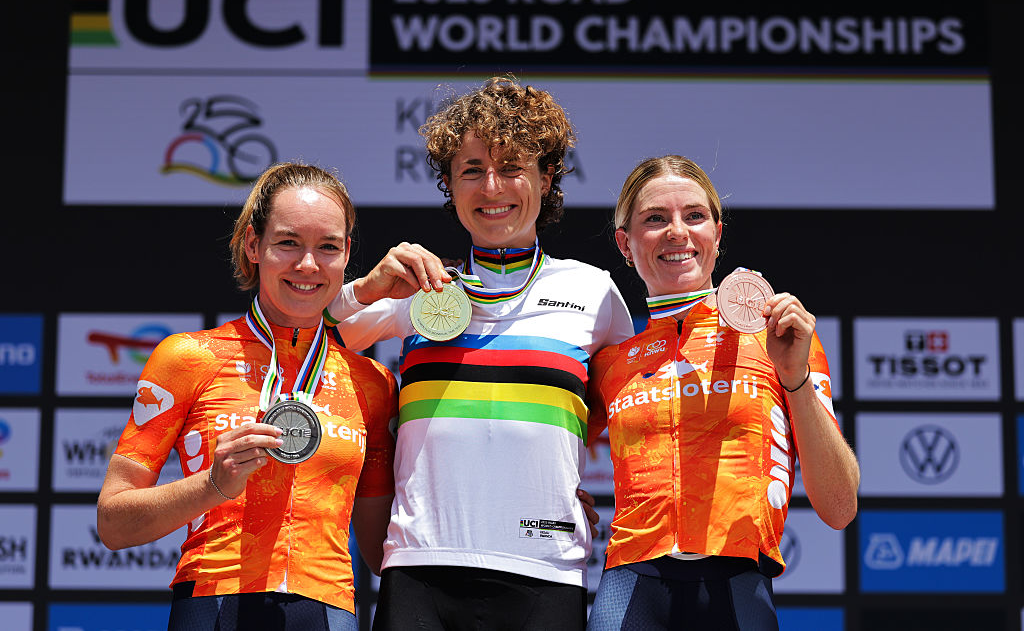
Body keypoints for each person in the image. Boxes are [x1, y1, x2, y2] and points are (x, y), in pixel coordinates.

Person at [322, 76, 635, 630]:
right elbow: (304, 346)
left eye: (512, 167)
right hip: (421, 568)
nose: (492, 187)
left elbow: (628, 408)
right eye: (471, 170)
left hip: (545, 570)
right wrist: (364, 290)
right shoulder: (422, 287)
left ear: (546, 177)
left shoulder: (593, 292)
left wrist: (560, 472)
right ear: (448, 184)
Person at [96, 163, 398, 631]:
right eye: (288, 242)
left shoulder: (372, 384)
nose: (308, 265)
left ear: (346, 254)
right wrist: (212, 485)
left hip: (328, 608)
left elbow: (381, 553)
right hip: (213, 601)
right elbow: (113, 524)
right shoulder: (189, 358)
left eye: (327, 247)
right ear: (253, 246)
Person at [585, 156, 860, 631]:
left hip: (738, 584)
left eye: (694, 215)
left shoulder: (777, 337)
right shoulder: (612, 360)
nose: (677, 232)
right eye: (655, 218)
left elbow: (839, 508)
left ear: (716, 234)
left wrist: (794, 377)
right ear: (625, 243)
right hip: (631, 578)